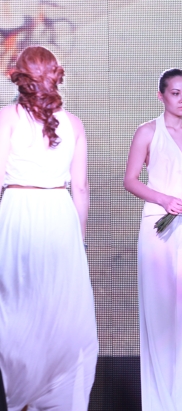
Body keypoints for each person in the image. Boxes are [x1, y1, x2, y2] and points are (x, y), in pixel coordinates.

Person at [0, 46, 98, 409]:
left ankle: (21, 394)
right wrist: (79, 240)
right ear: (55, 75)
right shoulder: (75, 124)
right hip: (60, 215)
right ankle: (55, 396)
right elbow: (81, 188)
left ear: (21, 76)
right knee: (60, 307)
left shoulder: (5, 118)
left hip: (18, 212)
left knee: (17, 304)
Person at [124, 68, 182, 410]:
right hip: (158, 227)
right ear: (161, 95)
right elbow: (130, 180)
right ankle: (159, 403)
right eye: (176, 93)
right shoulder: (147, 132)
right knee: (159, 314)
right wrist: (163, 200)